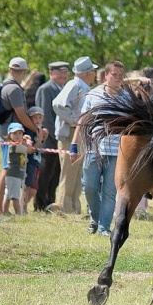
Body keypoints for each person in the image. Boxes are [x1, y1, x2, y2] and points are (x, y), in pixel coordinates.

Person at [70, 61, 126, 236]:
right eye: (114, 74)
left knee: (110, 191)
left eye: (120, 75)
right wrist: (74, 145)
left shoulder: (127, 97)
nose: (118, 78)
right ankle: (95, 217)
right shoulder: (93, 94)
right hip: (94, 148)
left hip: (116, 151)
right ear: (106, 76)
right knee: (89, 187)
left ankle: (104, 227)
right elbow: (83, 120)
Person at [0, 57, 47, 214]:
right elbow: (21, 114)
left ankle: (2, 209)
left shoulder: (7, 86)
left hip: (8, 133)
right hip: (10, 135)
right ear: (23, 71)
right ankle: (1, 209)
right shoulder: (14, 89)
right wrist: (36, 129)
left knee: (7, 169)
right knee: (7, 170)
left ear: (9, 69)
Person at [51, 56, 97, 214]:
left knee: (77, 173)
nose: (95, 74)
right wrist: (74, 121)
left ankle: (74, 207)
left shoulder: (82, 86)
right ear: (87, 73)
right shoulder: (74, 84)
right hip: (70, 134)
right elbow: (58, 105)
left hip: (78, 134)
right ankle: (64, 207)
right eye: (93, 71)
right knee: (68, 173)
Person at [34, 61, 70, 211]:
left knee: (56, 173)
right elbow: (45, 116)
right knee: (45, 172)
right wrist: (52, 137)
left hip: (61, 137)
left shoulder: (63, 88)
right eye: (60, 72)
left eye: (65, 71)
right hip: (49, 138)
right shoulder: (46, 89)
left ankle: (50, 201)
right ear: (51, 73)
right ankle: (40, 204)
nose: (64, 75)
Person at [2, 122, 33, 215]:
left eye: (20, 133)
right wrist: (29, 142)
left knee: (8, 195)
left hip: (14, 174)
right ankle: (19, 214)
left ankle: (4, 211)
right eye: (15, 133)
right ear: (9, 135)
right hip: (14, 174)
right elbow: (29, 150)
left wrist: (25, 140)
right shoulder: (15, 146)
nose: (18, 135)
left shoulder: (17, 144)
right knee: (15, 196)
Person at [21, 107, 45, 213]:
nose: (38, 120)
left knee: (34, 190)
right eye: (35, 117)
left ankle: (24, 206)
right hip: (29, 162)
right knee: (28, 187)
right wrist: (39, 139)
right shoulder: (29, 132)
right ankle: (23, 208)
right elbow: (30, 150)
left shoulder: (39, 130)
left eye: (40, 117)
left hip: (37, 162)